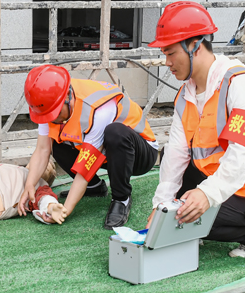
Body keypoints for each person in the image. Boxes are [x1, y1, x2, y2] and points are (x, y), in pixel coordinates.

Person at [148, 1, 245, 258]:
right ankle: (195, 225)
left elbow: (241, 155)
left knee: (186, 216)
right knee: (172, 212)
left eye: (170, 53)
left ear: (194, 46)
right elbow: (176, 155)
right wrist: (160, 206)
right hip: (225, 180)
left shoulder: (241, 84)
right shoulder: (186, 95)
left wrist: (207, 194)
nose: (167, 62)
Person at [19, 65, 158, 229]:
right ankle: (94, 187)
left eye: (54, 114)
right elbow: (43, 149)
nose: (51, 119)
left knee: (115, 133)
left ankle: (122, 198)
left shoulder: (99, 109)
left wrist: (66, 209)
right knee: (54, 141)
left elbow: (86, 167)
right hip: (107, 153)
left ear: (68, 97)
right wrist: (30, 185)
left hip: (139, 154)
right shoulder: (47, 105)